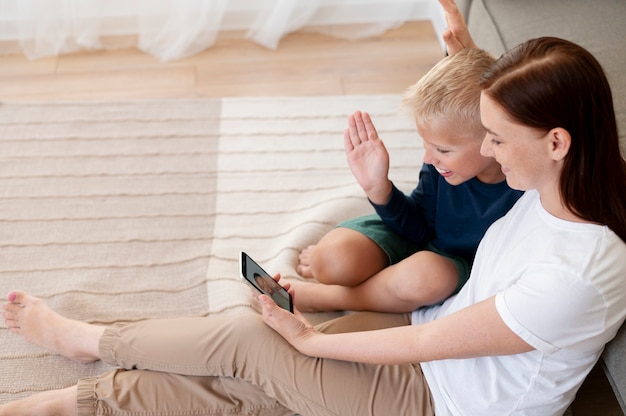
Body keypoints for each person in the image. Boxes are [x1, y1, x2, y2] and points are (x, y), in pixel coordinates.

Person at [3, 2, 626, 415]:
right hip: (426, 336)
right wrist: (461, 62)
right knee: (256, 390)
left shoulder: (570, 277)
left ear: (556, 142)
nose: (486, 152)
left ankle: (88, 341)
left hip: (441, 398)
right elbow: (461, 144)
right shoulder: (552, 185)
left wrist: (311, 339)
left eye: (497, 138)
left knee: (251, 340)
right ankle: (80, 403)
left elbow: (435, 343)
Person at [293, 47, 522, 313]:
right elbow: (419, 226)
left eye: (442, 150)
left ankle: (330, 298)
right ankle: (384, 281)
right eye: (426, 145)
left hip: (453, 265)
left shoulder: (522, 186)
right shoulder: (441, 167)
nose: (428, 158)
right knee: (331, 260)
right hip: (420, 239)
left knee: (426, 275)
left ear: (493, 137)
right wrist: (379, 189)